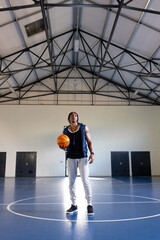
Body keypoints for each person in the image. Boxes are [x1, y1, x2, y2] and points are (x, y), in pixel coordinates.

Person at [60, 112, 94, 215]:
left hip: (82, 157)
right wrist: (63, 147)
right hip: (71, 158)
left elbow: (89, 141)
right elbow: (65, 146)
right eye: (72, 116)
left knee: (85, 181)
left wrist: (92, 153)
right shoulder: (65, 131)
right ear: (69, 119)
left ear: (77, 118)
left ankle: (89, 204)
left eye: (75, 116)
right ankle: (74, 204)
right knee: (71, 182)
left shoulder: (84, 127)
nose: (74, 117)